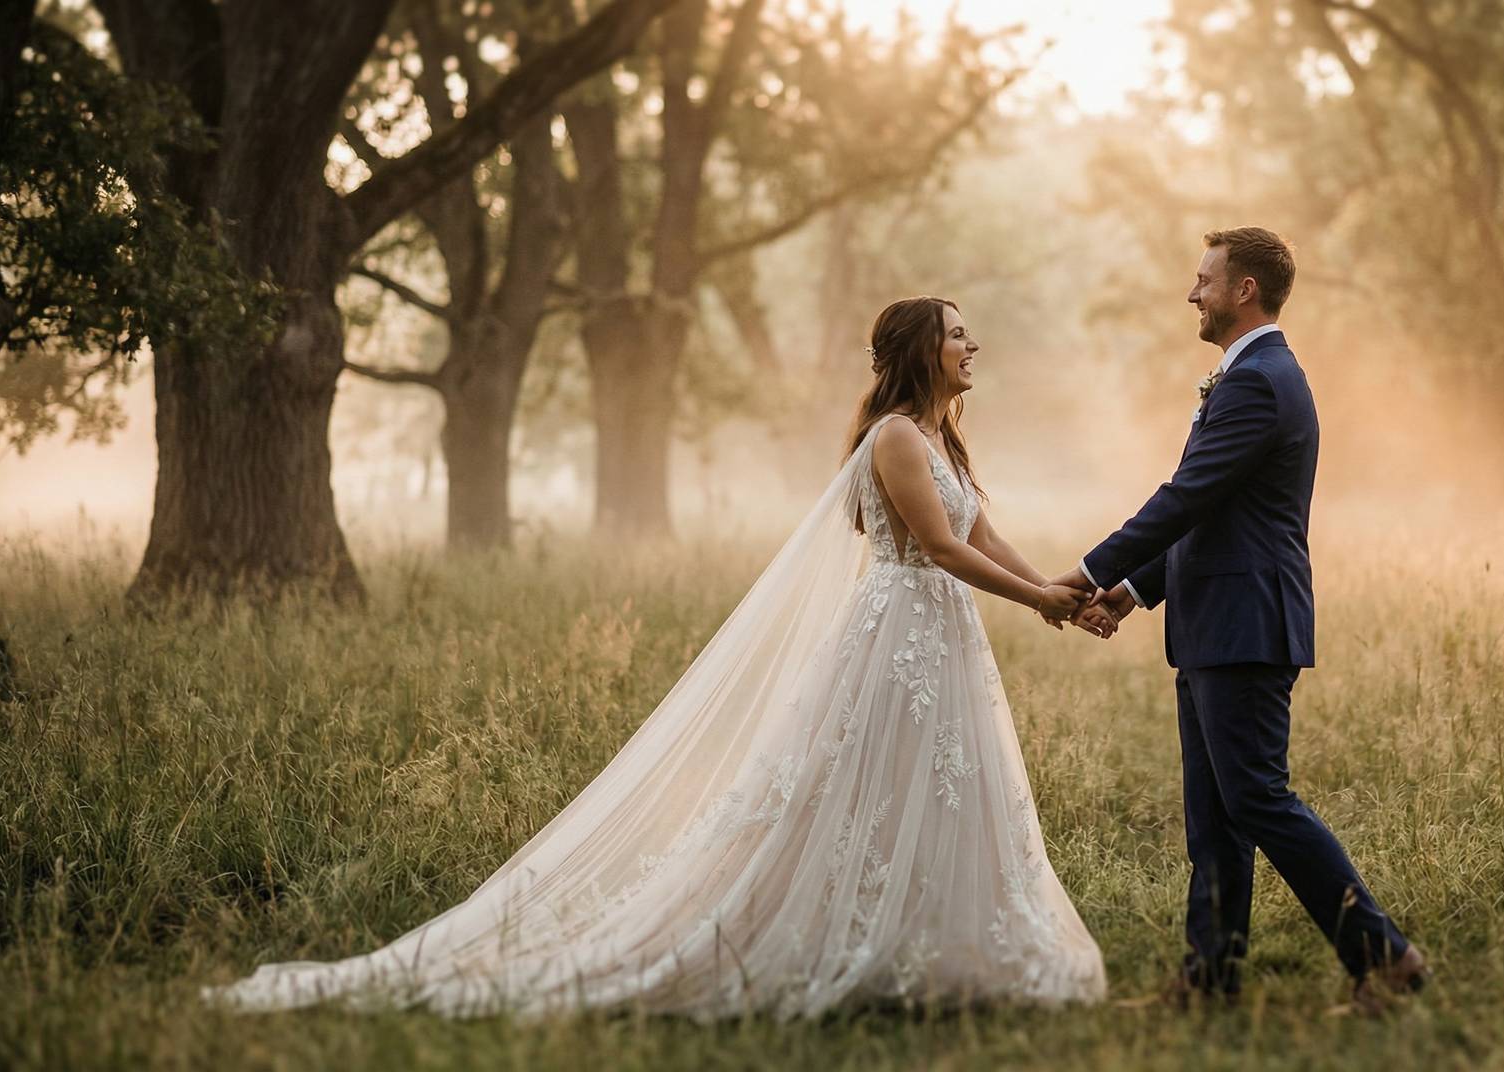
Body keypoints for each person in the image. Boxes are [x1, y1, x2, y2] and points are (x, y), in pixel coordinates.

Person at [200, 296, 1108, 1020]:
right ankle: (821, 931)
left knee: (936, 780)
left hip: (944, 634)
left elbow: (980, 531)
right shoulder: (897, 436)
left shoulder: (943, 438)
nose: (972, 346)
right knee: (853, 783)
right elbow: (938, 548)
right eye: (957, 334)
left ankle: (929, 941)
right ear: (921, 349)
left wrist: (1059, 590)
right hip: (900, 624)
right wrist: (1038, 602)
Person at [1054, 227, 1428, 1014]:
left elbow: (1186, 496)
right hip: (1216, 623)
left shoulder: (1259, 381)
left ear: (1243, 290)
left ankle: (1386, 957)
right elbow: (1215, 507)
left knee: (1257, 799)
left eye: (1204, 280)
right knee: (1216, 816)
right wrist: (1135, 589)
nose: (1192, 293)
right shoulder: (1251, 376)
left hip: (1245, 623)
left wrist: (1090, 572)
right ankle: (1211, 979)